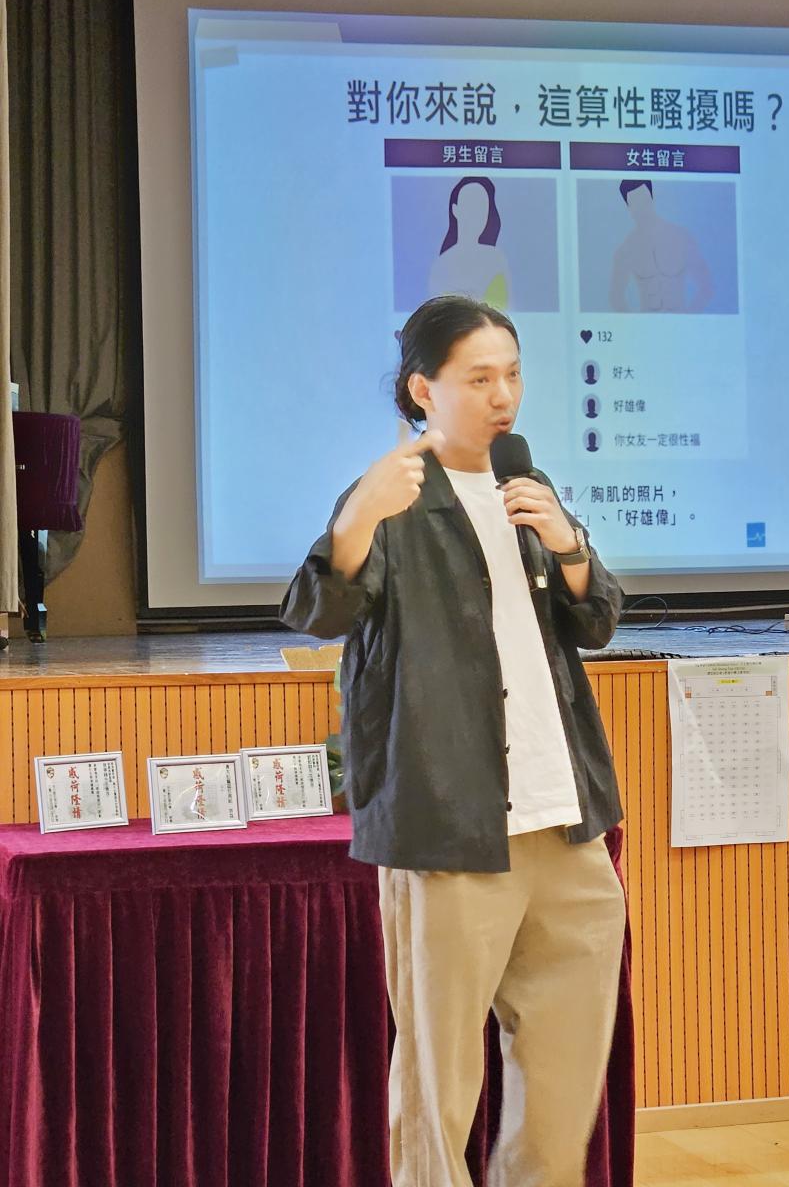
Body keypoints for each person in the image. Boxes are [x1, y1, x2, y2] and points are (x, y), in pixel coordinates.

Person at [280, 295, 625, 1187]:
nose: (503, 396)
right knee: (438, 1087)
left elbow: (596, 621)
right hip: (448, 824)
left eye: (512, 375)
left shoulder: (527, 492)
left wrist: (568, 542)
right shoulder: (393, 498)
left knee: (562, 1084)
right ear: (422, 389)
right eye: (479, 378)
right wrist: (356, 520)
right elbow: (320, 611)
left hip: (565, 824)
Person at [609, 178, 713, 313]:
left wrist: (688, 319)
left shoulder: (682, 237)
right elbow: (615, 297)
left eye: (644, 200)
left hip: (681, 321)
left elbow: (707, 286)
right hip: (646, 323)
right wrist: (635, 324)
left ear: (652, 198)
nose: (642, 207)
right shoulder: (626, 250)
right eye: (636, 202)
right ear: (629, 207)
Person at [428, 177, 512, 308]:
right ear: (455, 210)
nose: (476, 216)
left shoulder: (497, 260)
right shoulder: (441, 266)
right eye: (470, 207)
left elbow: (503, 308)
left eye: (482, 209)